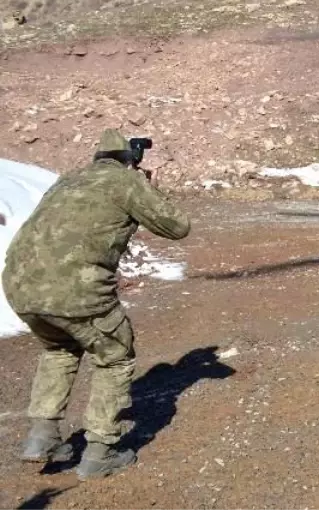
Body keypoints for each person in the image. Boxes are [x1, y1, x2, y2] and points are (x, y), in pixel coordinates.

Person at [2, 130, 190, 480]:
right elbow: (177, 226)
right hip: (75, 290)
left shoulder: (67, 181)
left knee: (59, 348)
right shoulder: (125, 182)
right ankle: (101, 451)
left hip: (18, 283)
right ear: (129, 159)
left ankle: (40, 438)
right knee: (115, 355)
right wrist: (145, 188)